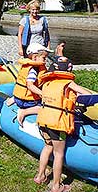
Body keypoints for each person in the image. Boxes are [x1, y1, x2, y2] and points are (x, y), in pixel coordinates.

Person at [34, 56, 91, 192]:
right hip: (57, 122)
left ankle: (40, 176)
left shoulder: (47, 82)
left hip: (43, 120)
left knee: (47, 146)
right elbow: (87, 94)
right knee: (58, 154)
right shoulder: (68, 83)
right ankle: (56, 186)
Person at [8, 43, 52, 126]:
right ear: (35, 57)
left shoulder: (27, 65)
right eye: (44, 58)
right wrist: (42, 94)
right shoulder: (34, 69)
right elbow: (30, 85)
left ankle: (14, 99)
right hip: (28, 101)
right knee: (45, 107)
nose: (45, 60)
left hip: (19, 97)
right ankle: (23, 112)